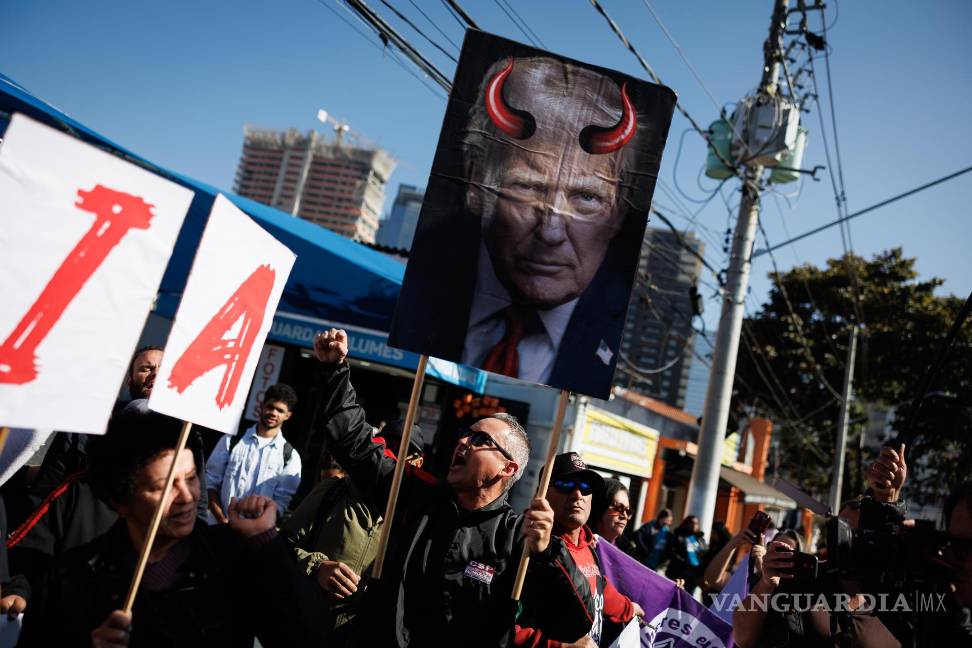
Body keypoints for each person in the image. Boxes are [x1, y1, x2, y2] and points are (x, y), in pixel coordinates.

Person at [390, 53, 675, 398]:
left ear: (618, 209)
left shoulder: (617, 331)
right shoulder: (421, 287)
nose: (551, 232)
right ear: (476, 181)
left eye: (586, 197)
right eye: (526, 188)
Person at [311, 328, 596, 647]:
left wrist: (546, 553)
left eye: (479, 440)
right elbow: (354, 443)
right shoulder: (412, 496)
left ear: (508, 467)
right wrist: (334, 370)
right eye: (465, 434)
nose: (462, 442)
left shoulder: (517, 539)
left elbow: (574, 624)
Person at [19, 404, 324, 647]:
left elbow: (306, 636)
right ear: (121, 500)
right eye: (165, 487)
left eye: (191, 478)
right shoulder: (72, 579)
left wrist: (266, 544)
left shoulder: (232, 560)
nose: (187, 497)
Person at [281, 422, 425, 646]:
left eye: (403, 453)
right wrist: (317, 567)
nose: (390, 460)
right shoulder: (333, 491)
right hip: (303, 624)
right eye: (386, 449)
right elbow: (281, 547)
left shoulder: (415, 520)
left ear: (417, 463)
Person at [516, 454, 644, 647]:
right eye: (565, 485)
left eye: (585, 488)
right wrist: (561, 646)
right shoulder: (525, 546)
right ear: (540, 493)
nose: (577, 495)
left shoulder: (588, 545)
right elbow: (496, 627)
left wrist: (629, 609)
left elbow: (599, 589)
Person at [29, 345, 163, 499]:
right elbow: (47, 488)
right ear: (129, 381)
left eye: (164, 369)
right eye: (146, 368)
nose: (156, 373)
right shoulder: (86, 427)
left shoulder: (191, 435)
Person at [205, 383, 301, 523]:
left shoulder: (290, 457)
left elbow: (280, 504)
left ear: (288, 415)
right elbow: (210, 483)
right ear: (261, 406)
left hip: (254, 539)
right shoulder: (232, 439)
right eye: (270, 407)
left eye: (280, 410)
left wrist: (255, 529)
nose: (273, 413)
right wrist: (222, 519)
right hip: (216, 529)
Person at [590, 478, 640, 558]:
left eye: (628, 511)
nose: (624, 516)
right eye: (618, 508)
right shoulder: (576, 544)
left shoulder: (629, 554)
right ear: (599, 507)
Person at [665, 515, 707, 596]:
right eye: (691, 523)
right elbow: (672, 553)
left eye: (696, 523)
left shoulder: (700, 539)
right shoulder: (678, 536)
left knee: (689, 597)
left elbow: (704, 554)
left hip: (695, 573)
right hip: (681, 572)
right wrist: (684, 563)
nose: (694, 525)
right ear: (686, 524)